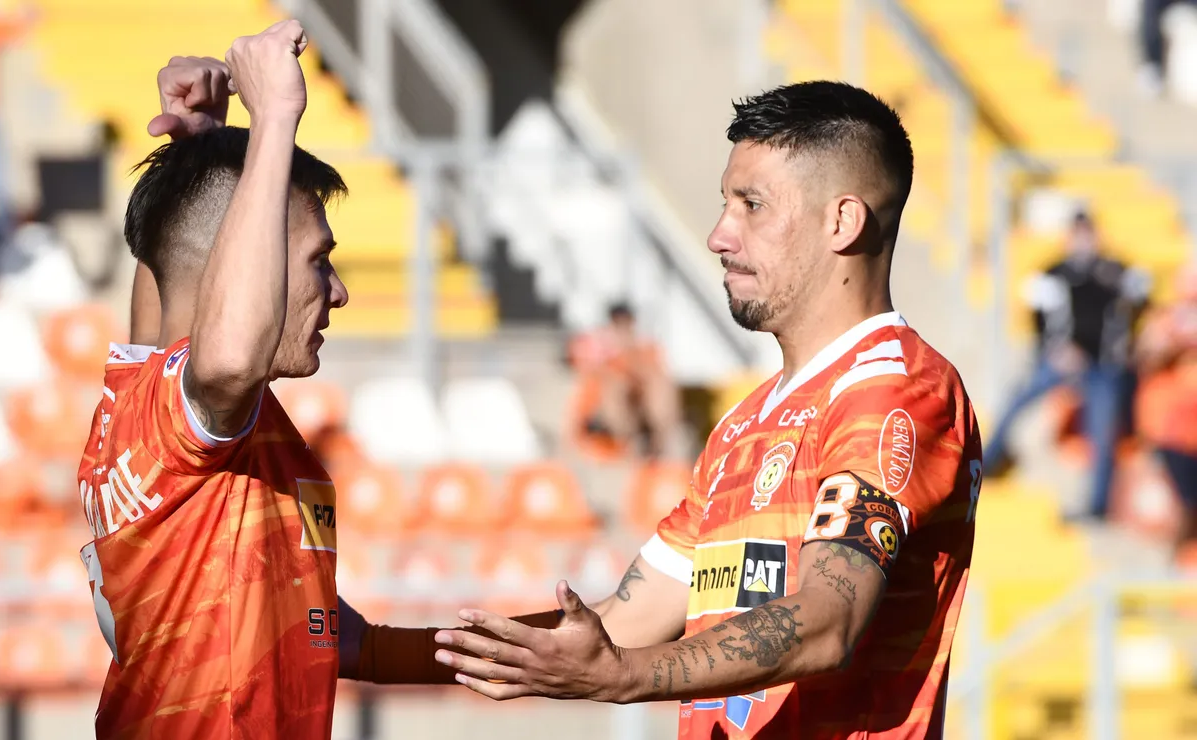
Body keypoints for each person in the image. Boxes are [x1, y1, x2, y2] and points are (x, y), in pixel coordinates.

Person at [366, 81, 982, 738]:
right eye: (725, 204)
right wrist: (369, 652)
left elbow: (829, 621)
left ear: (843, 222)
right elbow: (621, 623)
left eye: (752, 206)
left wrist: (626, 676)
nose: (719, 235)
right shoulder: (743, 425)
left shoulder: (894, 389)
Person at [76, 24, 574, 738]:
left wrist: (206, 152)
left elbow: (349, 643)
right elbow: (223, 350)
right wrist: (274, 116)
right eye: (318, 261)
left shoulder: (142, 395)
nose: (338, 292)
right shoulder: (197, 408)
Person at [984, 210, 1149, 520]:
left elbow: (1140, 292)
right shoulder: (1054, 273)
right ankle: (988, 462)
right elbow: (1038, 317)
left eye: (1088, 233)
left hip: (1104, 366)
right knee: (1018, 397)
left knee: (1103, 427)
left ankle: (1098, 504)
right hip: (1062, 360)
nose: (1084, 241)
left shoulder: (1114, 271)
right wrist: (1055, 350)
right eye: (1078, 234)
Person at [1134, 263, 1197, 559]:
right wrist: (1174, 341)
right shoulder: (1166, 320)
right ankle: (1171, 565)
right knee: (1182, 505)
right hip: (1172, 433)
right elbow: (1144, 357)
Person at [569, 301, 682, 459]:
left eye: (625, 321)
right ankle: (637, 441)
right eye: (617, 322)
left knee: (658, 385)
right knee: (616, 387)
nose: (622, 327)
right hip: (601, 414)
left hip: (637, 409)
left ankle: (657, 441)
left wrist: (629, 353)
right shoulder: (596, 347)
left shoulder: (645, 348)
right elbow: (592, 376)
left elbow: (651, 374)